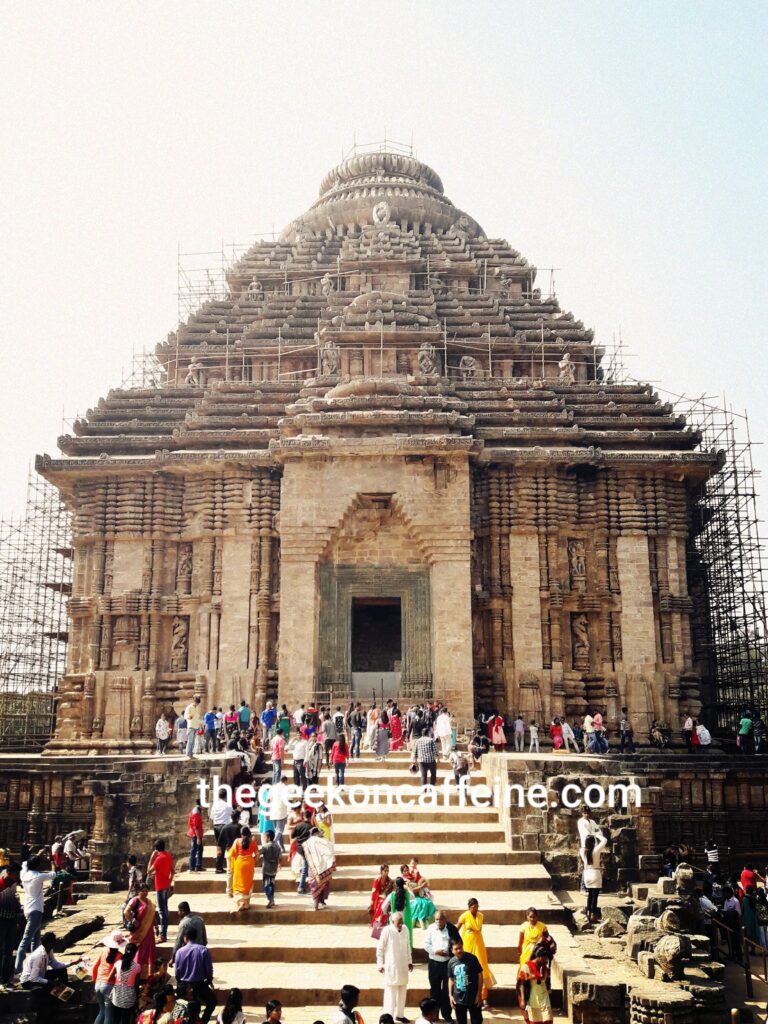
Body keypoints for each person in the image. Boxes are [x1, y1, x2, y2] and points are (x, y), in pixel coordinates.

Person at [14, 852, 55, 975]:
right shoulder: (38, 876)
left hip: (28, 909)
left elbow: (25, 863)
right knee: (25, 941)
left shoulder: (24, 875)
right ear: (38, 866)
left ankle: (34, 966)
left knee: (35, 941)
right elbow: (53, 874)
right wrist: (52, 863)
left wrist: (37, 854)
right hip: (36, 911)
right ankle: (18, 969)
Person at [424, 910, 461, 1023]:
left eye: (440, 919)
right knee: (434, 991)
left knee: (447, 991)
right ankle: (434, 1015)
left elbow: (458, 943)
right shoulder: (430, 928)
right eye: (436, 919)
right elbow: (426, 944)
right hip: (434, 963)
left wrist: (448, 952)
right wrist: (436, 951)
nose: (438, 922)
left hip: (447, 964)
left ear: (445, 919)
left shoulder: (451, 928)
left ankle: (447, 1015)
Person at [377, 910, 413, 1024]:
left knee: (402, 992)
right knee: (390, 995)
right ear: (392, 922)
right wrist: (380, 964)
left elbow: (408, 946)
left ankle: (400, 1015)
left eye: (402, 921)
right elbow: (380, 948)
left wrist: (410, 961)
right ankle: (389, 1018)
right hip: (391, 967)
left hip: (403, 967)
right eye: (398, 922)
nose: (401, 924)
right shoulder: (387, 931)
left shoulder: (406, 929)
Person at [174, 927, 216, 1024]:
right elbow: (209, 969)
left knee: (187, 1005)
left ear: (185, 938)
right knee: (212, 1002)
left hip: (185, 985)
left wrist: (180, 984)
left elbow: (177, 972)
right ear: (196, 937)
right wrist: (209, 980)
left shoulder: (179, 952)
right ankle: (203, 1021)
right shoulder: (203, 950)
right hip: (200, 984)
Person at [457, 899, 495, 1001]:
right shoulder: (464, 916)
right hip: (468, 943)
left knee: (482, 967)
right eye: (473, 907)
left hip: (479, 943)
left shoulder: (481, 916)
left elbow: (479, 930)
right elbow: (457, 928)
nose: (475, 909)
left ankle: (483, 996)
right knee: (466, 967)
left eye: (477, 906)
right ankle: (464, 994)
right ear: (469, 907)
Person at [91, 930, 126, 1024]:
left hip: (98, 984)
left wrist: (94, 980)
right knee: (108, 1015)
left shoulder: (103, 951)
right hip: (109, 986)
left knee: (101, 1012)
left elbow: (94, 966)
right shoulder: (120, 956)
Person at [447, 937, 483, 1024]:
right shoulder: (451, 962)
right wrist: (450, 995)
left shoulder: (472, 959)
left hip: (473, 998)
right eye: (456, 949)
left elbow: (480, 976)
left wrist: (479, 994)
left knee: (477, 1021)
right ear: (452, 950)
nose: (459, 950)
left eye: (460, 947)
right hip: (458, 1000)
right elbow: (451, 979)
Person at [125, 883, 156, 978]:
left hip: (149, 931)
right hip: (138, 931)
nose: (145, 892)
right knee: (139, 951)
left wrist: (156, 926)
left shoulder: (150, 902)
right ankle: (136, 974)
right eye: (143, 890)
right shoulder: (135, 900)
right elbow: (126, 911)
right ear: (138, 891)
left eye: (146, 891)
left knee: (149, 951)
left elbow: (153, 915)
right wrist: (133, 921)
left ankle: (148, 975)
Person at [516, 943, 553, 1024]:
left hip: (544, 997)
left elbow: (547, 981)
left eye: (547, 959)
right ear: (539, 957)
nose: (546, 961)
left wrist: (549, 988)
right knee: (535, 1021)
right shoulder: (526, 967)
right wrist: (522, 999)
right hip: (533, 998)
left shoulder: (545, 968)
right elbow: (521, 983)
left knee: (548, 1019)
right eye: (545, 959)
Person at [146, 839, 174, 942]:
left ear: (156, 849)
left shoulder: (159, 858)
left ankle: (163, 935)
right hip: (166, 886)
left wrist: (151, 858)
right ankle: (163, 933)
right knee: (165, 910)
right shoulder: (168, 856)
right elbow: (173, 871)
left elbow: (149, 871)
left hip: (160, 887)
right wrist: (169, 882)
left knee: (162, 912)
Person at [109, 941, 142, 1023]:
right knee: (126, 1020)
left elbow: (110, 978)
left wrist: (118, 979)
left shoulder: (117, 963)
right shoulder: (137, 967)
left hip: (117, 994)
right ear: (135, 953)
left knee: (115, 1019)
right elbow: (136, 984)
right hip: (129, 995)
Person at [304, 826, 336, 910]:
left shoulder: (306, 843)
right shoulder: (324, 841)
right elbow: (330, 852)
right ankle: (321, 900)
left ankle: (316, 904)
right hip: (325, 868)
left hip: (312, 868)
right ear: (317, 833)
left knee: (314, 885)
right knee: (324, 884)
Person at [0, 863, 21, 987]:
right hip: (1, 920)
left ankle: (6, 978)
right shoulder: (1, 884)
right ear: (9, 874)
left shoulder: (13, 884)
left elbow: (14, 899)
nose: (17, 877)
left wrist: (17, 919)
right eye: (16, 874)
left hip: (11, 920)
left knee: (9, 951)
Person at [581, 833, 608, 924]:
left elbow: (584, 847)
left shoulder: (582, 851)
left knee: (589, 895)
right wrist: (597, 835)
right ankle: (593, 915)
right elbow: (604, 840)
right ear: (593, 843)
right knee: (594, 897)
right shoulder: (596, 850)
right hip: (595, 873)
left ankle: (588, 913)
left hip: (587, 874)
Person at [229, 827, 258, 912]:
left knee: (238, 883)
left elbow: (231, 854)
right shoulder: (252, 841)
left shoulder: (237, 841)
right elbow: (257, 853)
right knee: (247, 883)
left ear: (241, 834)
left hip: (239, 863)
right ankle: (246, 904)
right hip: (249, 863)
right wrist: (253, 860)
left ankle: (240, 903)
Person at [402, 860, 436, 927]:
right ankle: (417, 921)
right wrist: (420, 887)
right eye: (404, 871)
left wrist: (423, 884)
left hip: (417, 896)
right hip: (410, 898)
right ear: (402, 872)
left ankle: (425, 920)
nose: (406, 872)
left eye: (407, 870)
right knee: (418, 903)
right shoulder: (403, 880)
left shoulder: (412, 877)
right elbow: (411, 891)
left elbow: (421, 881)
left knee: (428, 903)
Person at [517, 908, 551, 973]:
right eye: (530, 917)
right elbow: (520, 942)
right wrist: (520, 954)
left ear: (537, 917)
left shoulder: (542, 926)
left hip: (538, 954)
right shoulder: (524, 926)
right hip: (526, 953)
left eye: (534, 917)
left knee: (536, 972)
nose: (532, 919)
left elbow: (548, 939)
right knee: (525, 971)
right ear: (527, 917)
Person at [210, 787, 235, 872]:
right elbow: (232, 815)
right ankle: (221, 867)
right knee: (227, 846)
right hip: (224, 827)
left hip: (216, 826)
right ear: (226, 796)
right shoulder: (227, 805)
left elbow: (211, 817)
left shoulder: (215, 805)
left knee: (219, 846)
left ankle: (219, 866)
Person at [259, 829, 280, 909]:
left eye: (265, 836)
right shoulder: (277, 846)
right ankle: (273, 900)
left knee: (266, 885)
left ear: (268, 837)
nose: (264, 838)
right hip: (274, 869)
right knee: (272, 884)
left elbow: (259, 853)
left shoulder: (265, 846)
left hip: (267, 869)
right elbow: (280, 857)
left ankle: (270, 899)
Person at [370, 864, 395, 930]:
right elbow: (374, 892)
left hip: (387, 898)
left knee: (386, 903)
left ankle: (383, 923)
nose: (386, 872)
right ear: (381, 871)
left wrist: (386, 896)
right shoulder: (377, 881)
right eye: (385, 871)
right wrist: (380, 896)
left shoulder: (389, 881)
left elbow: (392, 891)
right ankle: (378, 924)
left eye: (387, 871)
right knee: (381, 904)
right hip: (377, 899)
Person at [188, 801, 204, 873]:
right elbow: (195, 827)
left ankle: (198, 866)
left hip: (197, 834)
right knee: (194, 850)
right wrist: (198, 838)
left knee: (200, 849)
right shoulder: (196, 813)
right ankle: (192, 867)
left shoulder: (196, 810)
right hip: (196, 834)